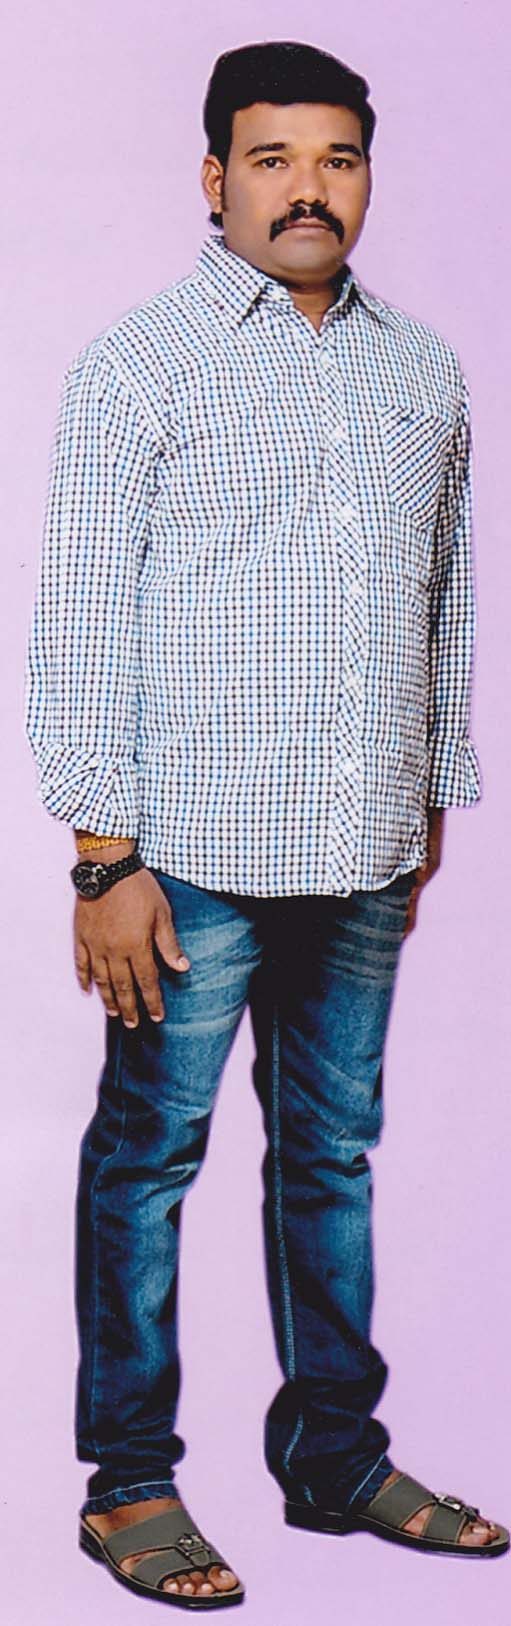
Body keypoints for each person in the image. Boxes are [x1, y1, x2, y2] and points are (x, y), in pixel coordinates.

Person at [25, 38, 509, 1610]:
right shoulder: (139, 366)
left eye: (337, 158)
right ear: (214, 177)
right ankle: (129, 1480)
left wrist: (431, 792)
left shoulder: (422, 369)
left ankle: (334, 1457)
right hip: (188, 862)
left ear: (366, 175)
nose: (308, 189)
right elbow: (80, 623)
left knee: (332, 1156)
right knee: (149, 1157)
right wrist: (104, 855)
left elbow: (444, 600)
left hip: (363, 849)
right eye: (272, 157)